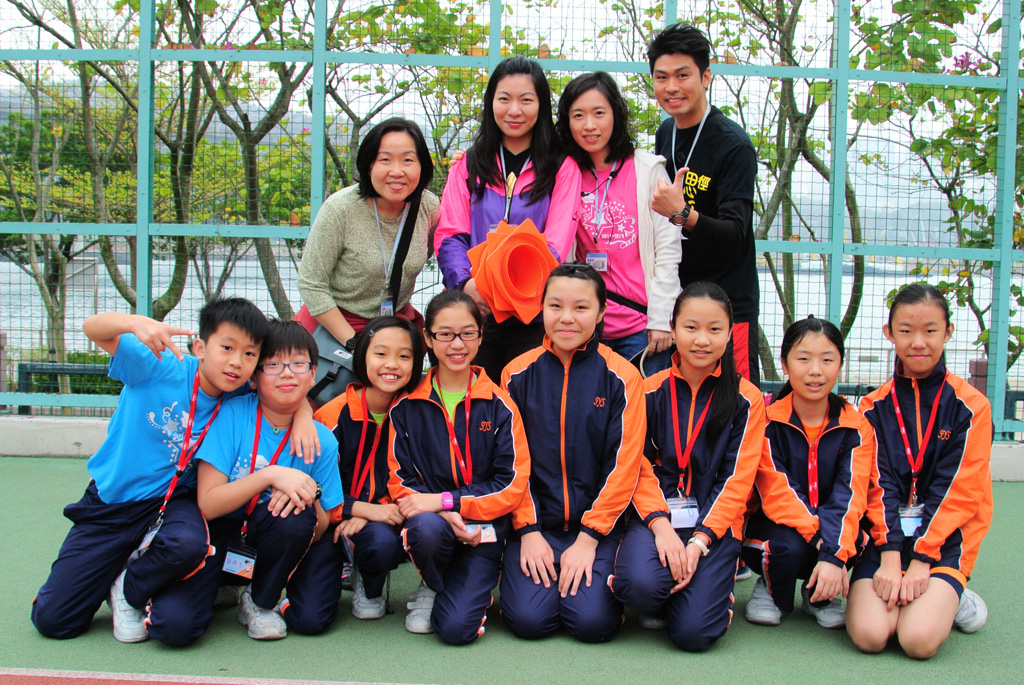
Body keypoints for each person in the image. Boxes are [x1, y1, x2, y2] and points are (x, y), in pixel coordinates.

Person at [31, 299, 314, 644]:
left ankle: (129, 586)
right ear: (200, 347)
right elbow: (92, 328)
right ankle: (113, 567)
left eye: (249, 354)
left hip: (176, 503)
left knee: (188, 546)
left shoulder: (239, 389)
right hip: (113, 503)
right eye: (227, 348)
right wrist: (133, 323)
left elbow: (284, 390)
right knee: (54, 621)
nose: (236, 362)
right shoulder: (160, 365)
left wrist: (304, 414)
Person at [610, 281, 764, 652]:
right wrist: (661, 525)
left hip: (714, 525)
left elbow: (737, 481)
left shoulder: (747, 399)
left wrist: (699, 541)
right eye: (691, 327)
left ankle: (707, 590)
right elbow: (637, 466)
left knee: (693, 634)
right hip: (657, 518)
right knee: (639, 587)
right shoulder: (648, 390)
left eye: (715, 329)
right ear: (673, 329)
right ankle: (667, 591)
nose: (702, 340)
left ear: (730, 333)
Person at [846, 283, 992, 659]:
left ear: (948, 332)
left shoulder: (971, 407)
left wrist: (923, 559)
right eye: (906, 331)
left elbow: (959, 490)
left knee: (917, 641)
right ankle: (932, 596)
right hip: (885, 540)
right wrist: (891, 556)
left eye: (930, 330)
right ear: (889, 333)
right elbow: (875, 486)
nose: (918, 343)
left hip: (943, 543)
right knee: (870, 636)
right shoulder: (871, 408)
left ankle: (952, 593)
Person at [500, 263, 643, 643]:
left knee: (592, 624)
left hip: (596, 529)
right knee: (529, 622)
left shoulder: (623, 377)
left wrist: (589, 538)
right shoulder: (515, 374)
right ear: (542, 308)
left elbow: (623, 466)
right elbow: (511, 463)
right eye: (555, 306)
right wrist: (528, 531)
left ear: (601, 312)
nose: (566, 318)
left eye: (581, 307)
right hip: (536, 526)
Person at [387, 290, 531, 644]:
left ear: (481, 336)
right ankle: (431, 582)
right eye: (445, 334)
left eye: (467, 333)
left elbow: (511, 483)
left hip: (483, 528)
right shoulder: (405, 406)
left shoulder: (500, 405)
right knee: (425, 529)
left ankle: (477, 580)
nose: (457, 344)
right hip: (433, 523)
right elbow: (399, 479)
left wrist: (450, 502)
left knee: (455, 630)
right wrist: (441, 511)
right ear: (427, 338)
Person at [194, 319, 344, 641]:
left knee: (312, 618)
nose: (287, 374)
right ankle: (221, 584)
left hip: (275, 533)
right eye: (273, 365)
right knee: (177, 623)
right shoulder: (232, 414)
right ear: (254, 376)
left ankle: (260, 601)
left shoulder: (322, 440)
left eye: (298, 364)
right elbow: (207, 505)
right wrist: (269, 476)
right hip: (224, 532)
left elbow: (320, 528)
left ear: (313, 373)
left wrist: (307, 495)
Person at [435, 56, 581, 381]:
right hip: (474, 311)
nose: (514, 110)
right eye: (504, 99)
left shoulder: (561, 167)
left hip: (532, 316)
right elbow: (450, 234)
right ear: (491, 103)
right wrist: (467, 285)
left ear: (541, 106)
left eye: (526, 100)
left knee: (525, 403)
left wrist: (507, 293)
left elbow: (556, 244)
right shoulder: (469, 164)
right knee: (472, 401)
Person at [646, 24, 761, 386]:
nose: (672, 87)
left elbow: (736, 234)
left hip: (726, 306)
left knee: (735, 402)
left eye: (683, 75)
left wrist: (683, 213)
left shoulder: (733, 145)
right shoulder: (666, 132)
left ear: (706, 77)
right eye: (662, 77)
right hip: (681, 303)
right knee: (683, 401)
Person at [742, 317, 874, 629]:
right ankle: (770, 590)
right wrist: (823, 544)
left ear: (840, 365)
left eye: (827, 360)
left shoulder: (856, 426)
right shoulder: (767, 422)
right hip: (776, 529)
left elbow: (850, 494)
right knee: (788, 546)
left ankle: (821, 596)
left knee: (860, 538)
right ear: (785, 364)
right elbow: (778, 493)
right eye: (803, 359)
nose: (815, 370)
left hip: (830, 531)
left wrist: (834, 552)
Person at [556, 71, 681, 375]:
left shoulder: (648, 170)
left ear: (616, 114)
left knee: (645, 405)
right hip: (584, 328)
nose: (589, 125)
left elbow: (668, 250)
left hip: (641, 329)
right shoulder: (564, 172)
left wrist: (661, 319)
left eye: (599, 113)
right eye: (578, 115)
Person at [312, 316, 425, 620]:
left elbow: (417, 481)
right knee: (311, 617)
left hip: (384, 519)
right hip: (329, 521)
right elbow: (316, 489)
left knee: (382, 544)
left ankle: (369, 584)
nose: (392, 364)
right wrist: (358, 509)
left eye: (404, 356)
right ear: (362, 355)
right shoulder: (330, 416)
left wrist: (375, 512)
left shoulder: (415, 414)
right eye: (381, 353)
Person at [298, 117, 439, 346]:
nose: (397, 171)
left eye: (408, 160)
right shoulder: (340, 208)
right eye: (385, 159)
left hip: (393, 326)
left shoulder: (429, 207)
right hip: (337, 328)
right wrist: (355, 344)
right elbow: (311, 284)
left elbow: (439, 250)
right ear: (369, 164)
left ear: (422, 166)